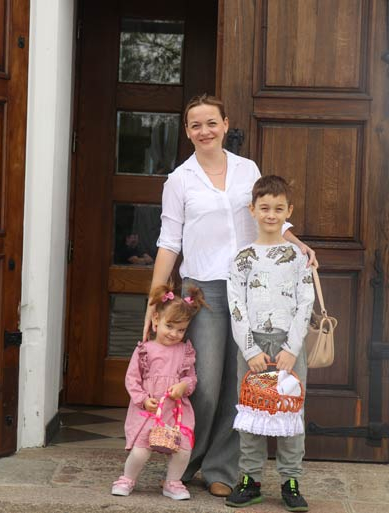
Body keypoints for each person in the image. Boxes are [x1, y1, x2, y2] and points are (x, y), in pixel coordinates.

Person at [143, 94, 317, 497]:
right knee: (204, 382)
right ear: (187, 132)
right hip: (203, 290)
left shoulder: (246, 169)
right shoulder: (180, 180)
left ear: (224, 125)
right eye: (196, 125)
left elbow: (266, 214)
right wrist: (155, 298)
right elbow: (169, 241)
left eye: (211, 123)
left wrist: (298, 244)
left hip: (253, 288)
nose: (205, 131)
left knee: (239, 383)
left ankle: (221, 469)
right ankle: (187, 459)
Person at [225, 175, 314, 512]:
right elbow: (236, 306)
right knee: (252, 412)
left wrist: (291, 349)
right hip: (254, 348)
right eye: (264, 208)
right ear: (252, 210)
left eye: (278, 208)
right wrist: (250, 350)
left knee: (291, 412)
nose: (271, 214)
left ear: (288, 211)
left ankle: (291, 481)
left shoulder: (297, 257)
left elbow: (305, 303)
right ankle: (250, 480)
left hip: (288, 346)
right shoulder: (242, 258)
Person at [112, 284, 206, 500]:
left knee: (183, 450)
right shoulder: (144, 350)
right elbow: (132, 379)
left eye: (181, 330)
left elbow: (191, 378)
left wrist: (183, 386)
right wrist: (143, 400)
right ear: (156, 320)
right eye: (169, 326)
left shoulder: (185, 351)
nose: (174, 334)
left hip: (176, 411)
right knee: (141, 450)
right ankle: (127, 478)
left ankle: (172, 482)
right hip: (149, 411)